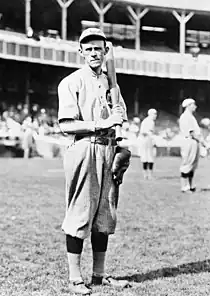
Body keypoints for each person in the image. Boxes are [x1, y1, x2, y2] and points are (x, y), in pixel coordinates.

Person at [57, 28, 129, 295]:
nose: (94, 53)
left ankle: (99, 275)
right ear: (81, 52)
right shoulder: (71, 82)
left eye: (98, 48)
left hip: (109, 150)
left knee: (104, 215)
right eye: (88, 49)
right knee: (80, 213)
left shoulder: (113, 84)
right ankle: (75, 278)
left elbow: (118, 117)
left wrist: (120, 141)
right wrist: (102, 124)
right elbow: (67, 125)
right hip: (84, 149)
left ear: (105, 51)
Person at [179, 98, 201, 193]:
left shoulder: (191, 117)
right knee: (187, 163)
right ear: (188, 106)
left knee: (193, 164)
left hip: (194, 142)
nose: (195, 106)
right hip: (189, 141)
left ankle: (190, 185)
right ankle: (184, 186)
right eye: (193, 105)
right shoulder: (185, 117)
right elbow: (192, 132)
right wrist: (203, 142)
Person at [138, 109, 157, 179]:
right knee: (147, 157)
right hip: (145, 140)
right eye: (154, 114)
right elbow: (143, 132)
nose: (156, 116)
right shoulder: (148, 121)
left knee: (148, 157)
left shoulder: (149, 121)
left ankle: (148, 175)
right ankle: (147, 175)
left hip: (147, 140)